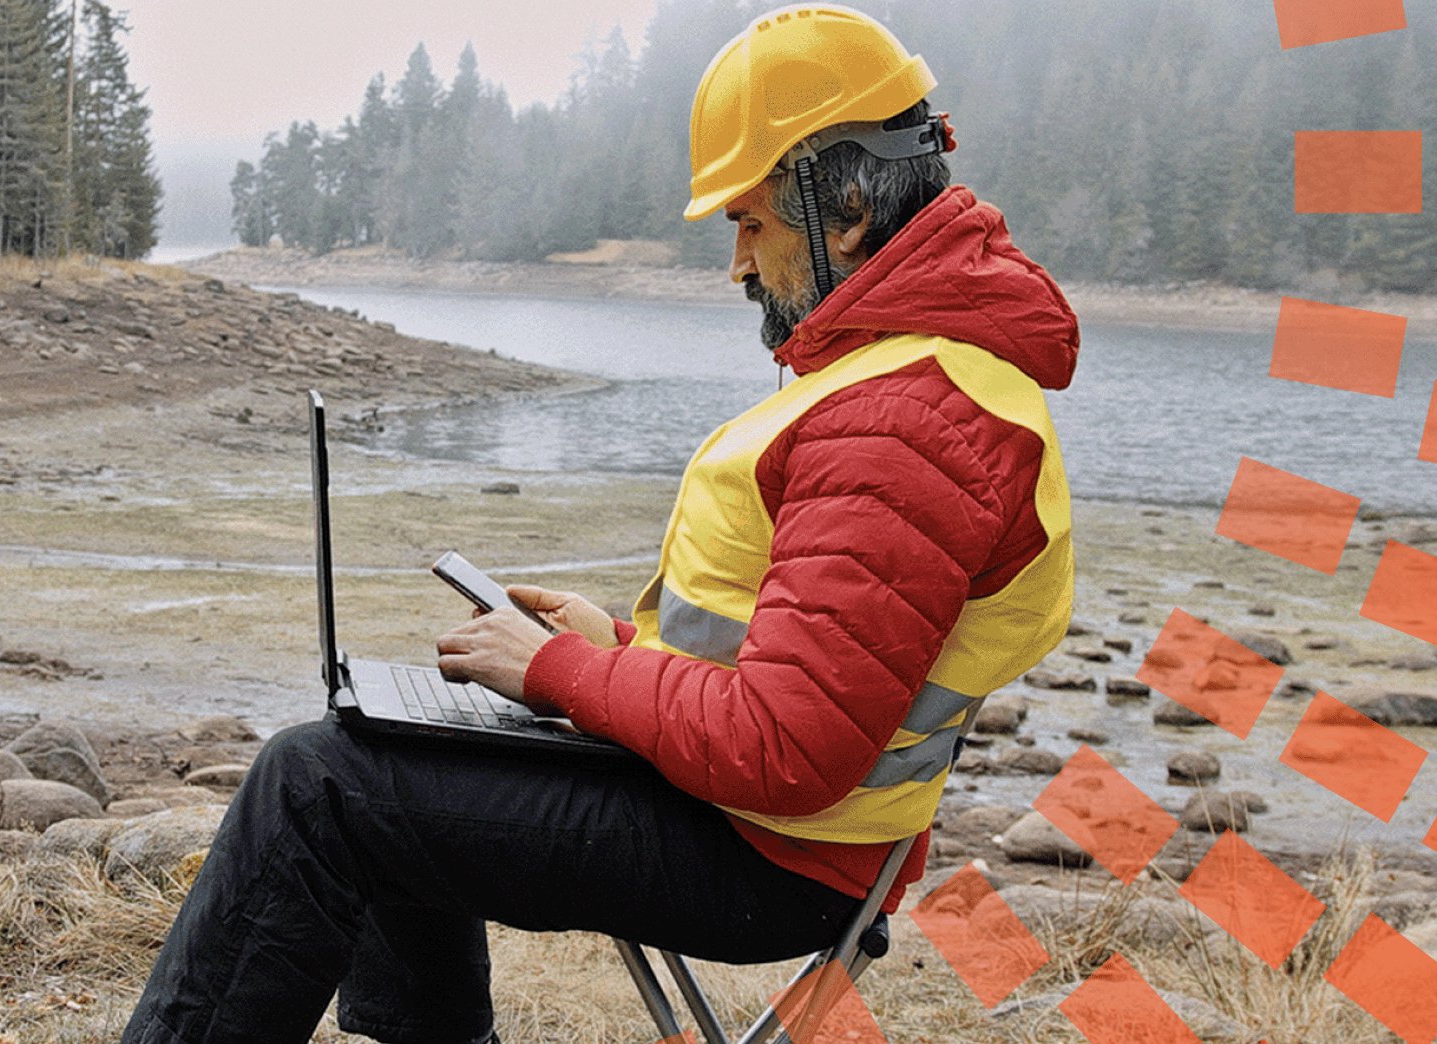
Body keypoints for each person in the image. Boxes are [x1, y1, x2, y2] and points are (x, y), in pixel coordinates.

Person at [121, 6, 1079, 1041]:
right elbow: (808, 667)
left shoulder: (904, 420)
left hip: (767, 857)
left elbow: (791, 749)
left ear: (843, 205)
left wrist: (562, 677)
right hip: (762, 824)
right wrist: (616, 647)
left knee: (319, 786)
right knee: (383, 743)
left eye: (750, 222)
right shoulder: (911, 381)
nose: (738, 266)